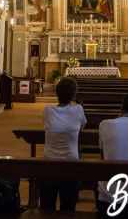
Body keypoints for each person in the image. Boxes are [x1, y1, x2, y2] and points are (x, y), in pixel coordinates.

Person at [40, 77, 87, 212]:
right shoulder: (78, 110)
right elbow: (83, 125)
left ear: (57, 93)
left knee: (47, 207)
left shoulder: (48, 110)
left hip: (49, 164)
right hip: (71, 164)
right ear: (74, 94)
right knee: (68, 207)